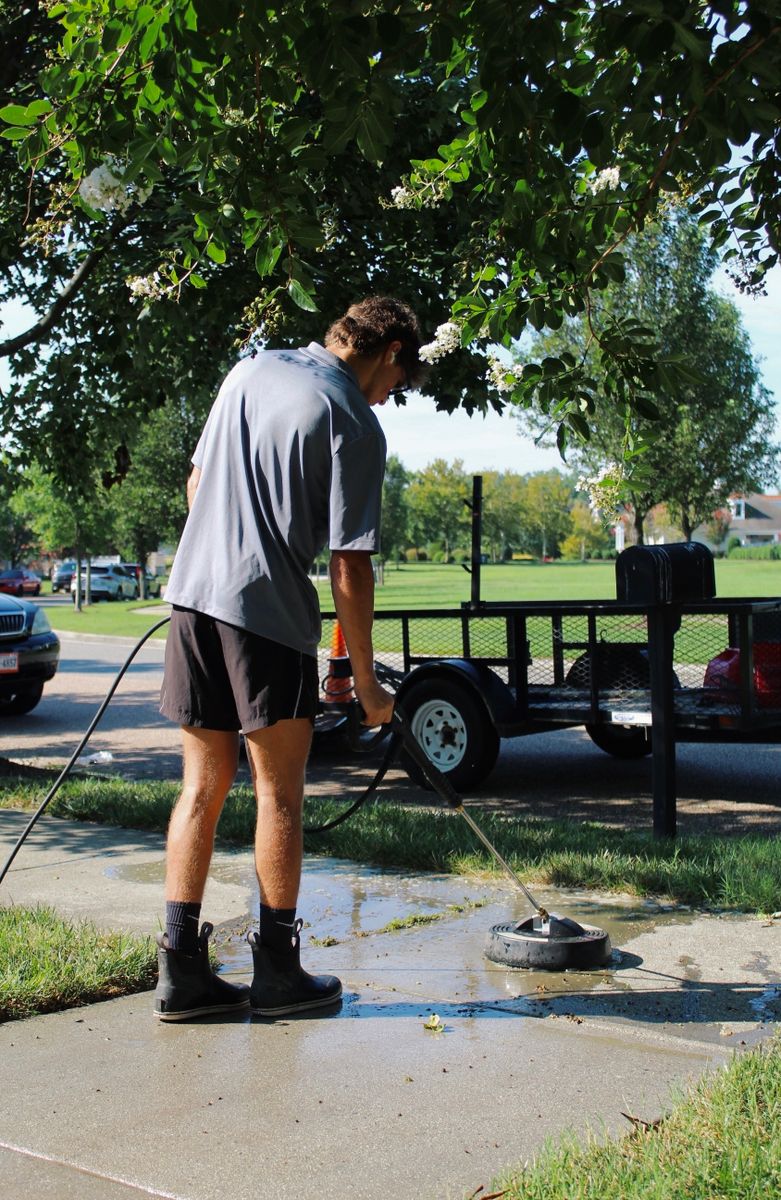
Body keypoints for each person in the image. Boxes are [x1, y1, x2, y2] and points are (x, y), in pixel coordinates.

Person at [153, 295, 425, 1021]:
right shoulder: (353, 420)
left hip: (191, 601)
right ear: (391, 352)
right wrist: (366, 684)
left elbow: (196, 484)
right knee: (279, 795)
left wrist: (219, 559)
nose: (388, 397)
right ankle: (277, 975)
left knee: (201, 787)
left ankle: (180, 976)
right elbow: (350, 564)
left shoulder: (249, 370)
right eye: (397, 383)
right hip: (267, 620)